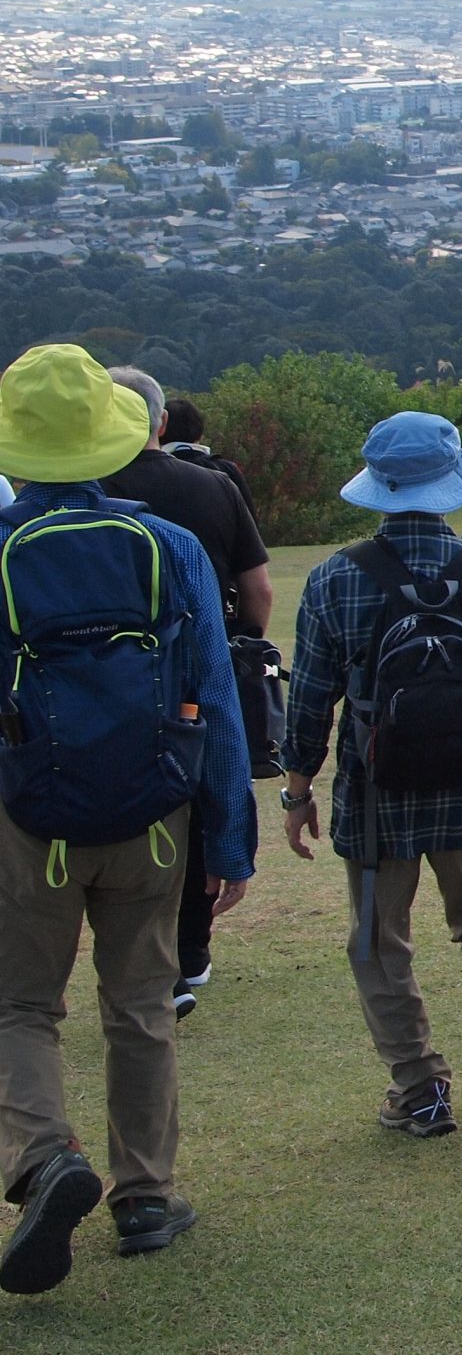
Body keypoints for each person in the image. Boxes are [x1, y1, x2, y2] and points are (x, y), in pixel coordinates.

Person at [0, 345, 254, 1295]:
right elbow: (217, 701)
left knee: (21, 1002)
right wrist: (230, 840)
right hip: (154, 815)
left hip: (30, 818)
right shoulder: (170, 547)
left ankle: (40, 1158)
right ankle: (145, 1195)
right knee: (140, 1003)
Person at [280, 413, 462, 1139]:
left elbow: (310, 702)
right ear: (452, 487)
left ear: (379, 488)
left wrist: (296, 790)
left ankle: (420, 1089)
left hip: (375, 794)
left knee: (378, 939)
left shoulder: (334, 580)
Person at [100, 367, 275, 1020]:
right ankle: (189, 952)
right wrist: (241, 644)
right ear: (161, 423)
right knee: (204, 798)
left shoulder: (87, 498)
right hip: (201, 671)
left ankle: (140, 956)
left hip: (109, 683)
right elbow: (258, 589)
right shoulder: (213, 486)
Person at [159, 397, 256, 516]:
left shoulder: (153, 472)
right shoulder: (227, 470)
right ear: (199, 431)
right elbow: (249, 523)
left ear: (160, 429)